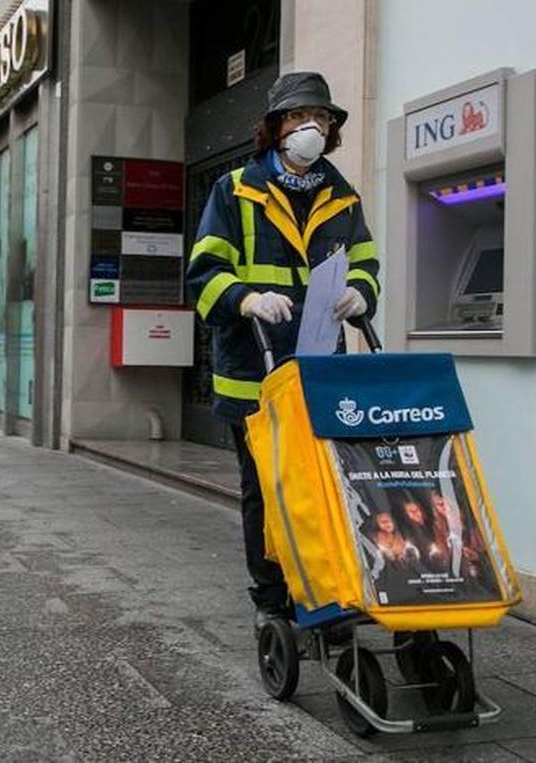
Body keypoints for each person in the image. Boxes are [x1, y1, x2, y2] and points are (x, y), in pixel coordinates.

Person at [185, 72, 382, 629]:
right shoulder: (235, 190)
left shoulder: (342, 197)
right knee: (266, 491)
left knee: (324, 485)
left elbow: (366, 261)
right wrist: (245, 299)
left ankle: (322, 587)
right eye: (298, 118)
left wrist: (360, 292)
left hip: (321, 370)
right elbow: (204, 270)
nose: (310, 127)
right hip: (255, 371)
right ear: (275, 129)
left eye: (319, 118)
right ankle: (271, 600)